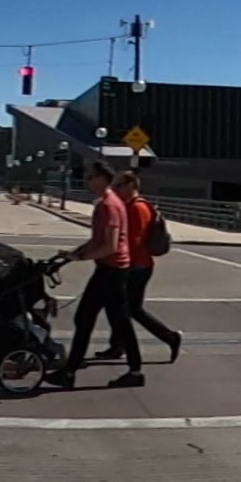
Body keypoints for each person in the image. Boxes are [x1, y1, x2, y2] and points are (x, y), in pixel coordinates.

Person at [60, 150, 182, 385]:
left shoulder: (113, 206)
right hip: (119, 267)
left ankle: (70, 371)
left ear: (101, 179)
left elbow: (111, 245)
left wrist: (81, 257)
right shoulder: (111, 204)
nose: (86, 181)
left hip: (118, 268)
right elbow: (98, 241)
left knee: (91, 317)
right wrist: (74, 253)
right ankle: (132, 369)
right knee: (120, 318)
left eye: (90, 177)